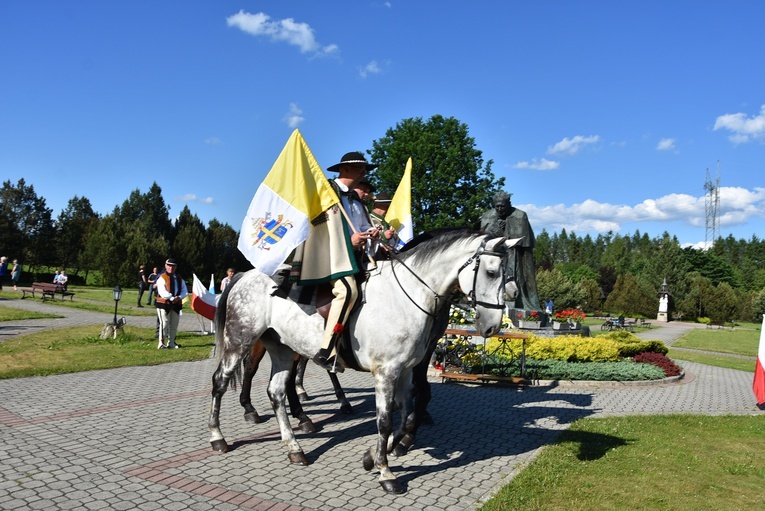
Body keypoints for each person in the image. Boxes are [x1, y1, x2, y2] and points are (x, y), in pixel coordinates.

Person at [315, 151, 382, 372]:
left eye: (364, 168)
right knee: (347, 291)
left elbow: (361, 228)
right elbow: (320, 229)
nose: (364, 171)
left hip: (355, 258)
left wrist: (370, 233)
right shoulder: (327, 191)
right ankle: (327, 351)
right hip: (331, 258)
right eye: (359, 167)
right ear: (344, 170)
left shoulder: (356, 199)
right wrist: (348, 240)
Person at [480, 190, 540, 310]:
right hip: (493, 253)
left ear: (509, 204)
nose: (500, 209)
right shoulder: (488, 215)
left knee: (515, 275)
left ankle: (517, 301)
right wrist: (495, 230)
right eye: (497, 206)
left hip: (514, 253)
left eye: (503, 206)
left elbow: (521, 241)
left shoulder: (519, 215)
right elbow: (483, 237)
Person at [154, 258, 188, 349]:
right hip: (164, 304)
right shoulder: (162, 277)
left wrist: (179, 297)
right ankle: (161, 343)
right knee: (164, 323)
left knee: (174, 324)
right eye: (169, 266)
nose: (171, 268)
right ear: (165, 266)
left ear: (176, 267)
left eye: (173, 266)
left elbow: (185, 291)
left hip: (176, 304)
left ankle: (171, 342)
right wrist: (172, 298)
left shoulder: (179, 278)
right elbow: (162, 291)